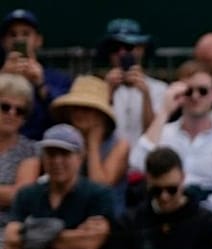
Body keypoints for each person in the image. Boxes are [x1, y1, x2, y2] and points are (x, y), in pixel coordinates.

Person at [131, 61, 212, 213]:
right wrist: (165, 111)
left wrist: (186, 211)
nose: (195, 97)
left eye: (203, 91)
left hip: (203, 219)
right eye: (188, 91)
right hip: (161, 210)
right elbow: (136, 163)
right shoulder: (164, 133)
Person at [3, 124, 112, 249]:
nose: (57, 161)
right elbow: (11, 248)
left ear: (80, 157)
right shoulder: (26, 195)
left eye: (65, 154)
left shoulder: (99, 194)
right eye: (51, 154)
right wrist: (70, 238)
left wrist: (30, 236)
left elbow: (87, 245)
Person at [109, 146, 212, 249]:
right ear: (147, 182)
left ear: (182, 178)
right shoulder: (130, 223)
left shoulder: (207, 223)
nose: (164, 197)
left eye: (171, 189)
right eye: (156, 190)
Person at [49, 75, 129, 214]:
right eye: (75, 108)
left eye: (87, 108)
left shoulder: (120, 145)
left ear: (101, 113)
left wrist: (93, 143)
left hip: (107, 219)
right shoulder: (61, 141)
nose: (79, 113)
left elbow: (100, 189)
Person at [96, 18, 166, 148]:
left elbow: (154, 136)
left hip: (144, 163)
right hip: (108, 161)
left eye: (128, 47)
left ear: (141, 49)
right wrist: (107, 93)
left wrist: (146, 95)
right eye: (115, 48)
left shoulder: (160, 89)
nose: (122, 53)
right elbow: (96, 132)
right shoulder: (97, 88)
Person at [2, 9, 70, 140]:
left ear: (38, 40)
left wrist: (41, 85)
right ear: (4, 41)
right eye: (12, 34)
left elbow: (66, 119)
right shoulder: (2, 73)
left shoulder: (58, 78)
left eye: (26, 34)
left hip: (45, 151)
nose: (19, 39)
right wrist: (3, 78)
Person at [0, 71, 40, 226]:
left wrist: (11, 195)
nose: (12, 113)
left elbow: (21, 195)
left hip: (8, 230)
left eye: (20, 110)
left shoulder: (30, 150)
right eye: (5, 107)